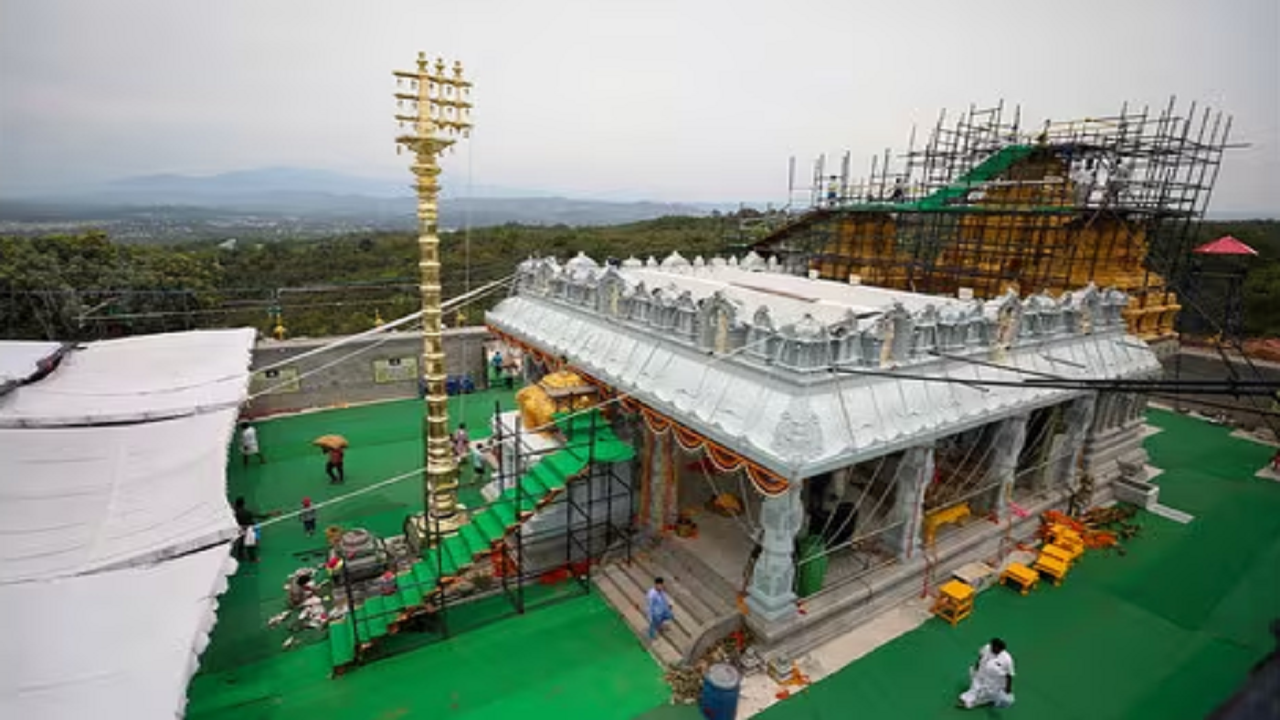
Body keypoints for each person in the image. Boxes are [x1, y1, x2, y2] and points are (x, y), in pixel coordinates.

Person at [958, 638, 1016, 709]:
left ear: (1001, 649)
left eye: (995, 648)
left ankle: (971, 703)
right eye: (992, 646)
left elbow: (1009, 675)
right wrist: (977, 665)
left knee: (984, 695)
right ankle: (969, 699)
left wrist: (1008, 689)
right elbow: (981, 656)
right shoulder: (987, 647)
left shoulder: (1007, 660)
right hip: (981, 673)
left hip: (994, 682)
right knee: (975, 686)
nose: (992, 648)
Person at [232, 496, 277, 563]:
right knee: (250, 544)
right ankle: (252, 559)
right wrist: (271, 514)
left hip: (241, 529)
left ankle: (240, 556)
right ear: (243, 504)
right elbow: (261, 516)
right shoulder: (246, 512)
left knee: (241, 542)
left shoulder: (235, 512)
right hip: (249, 529)